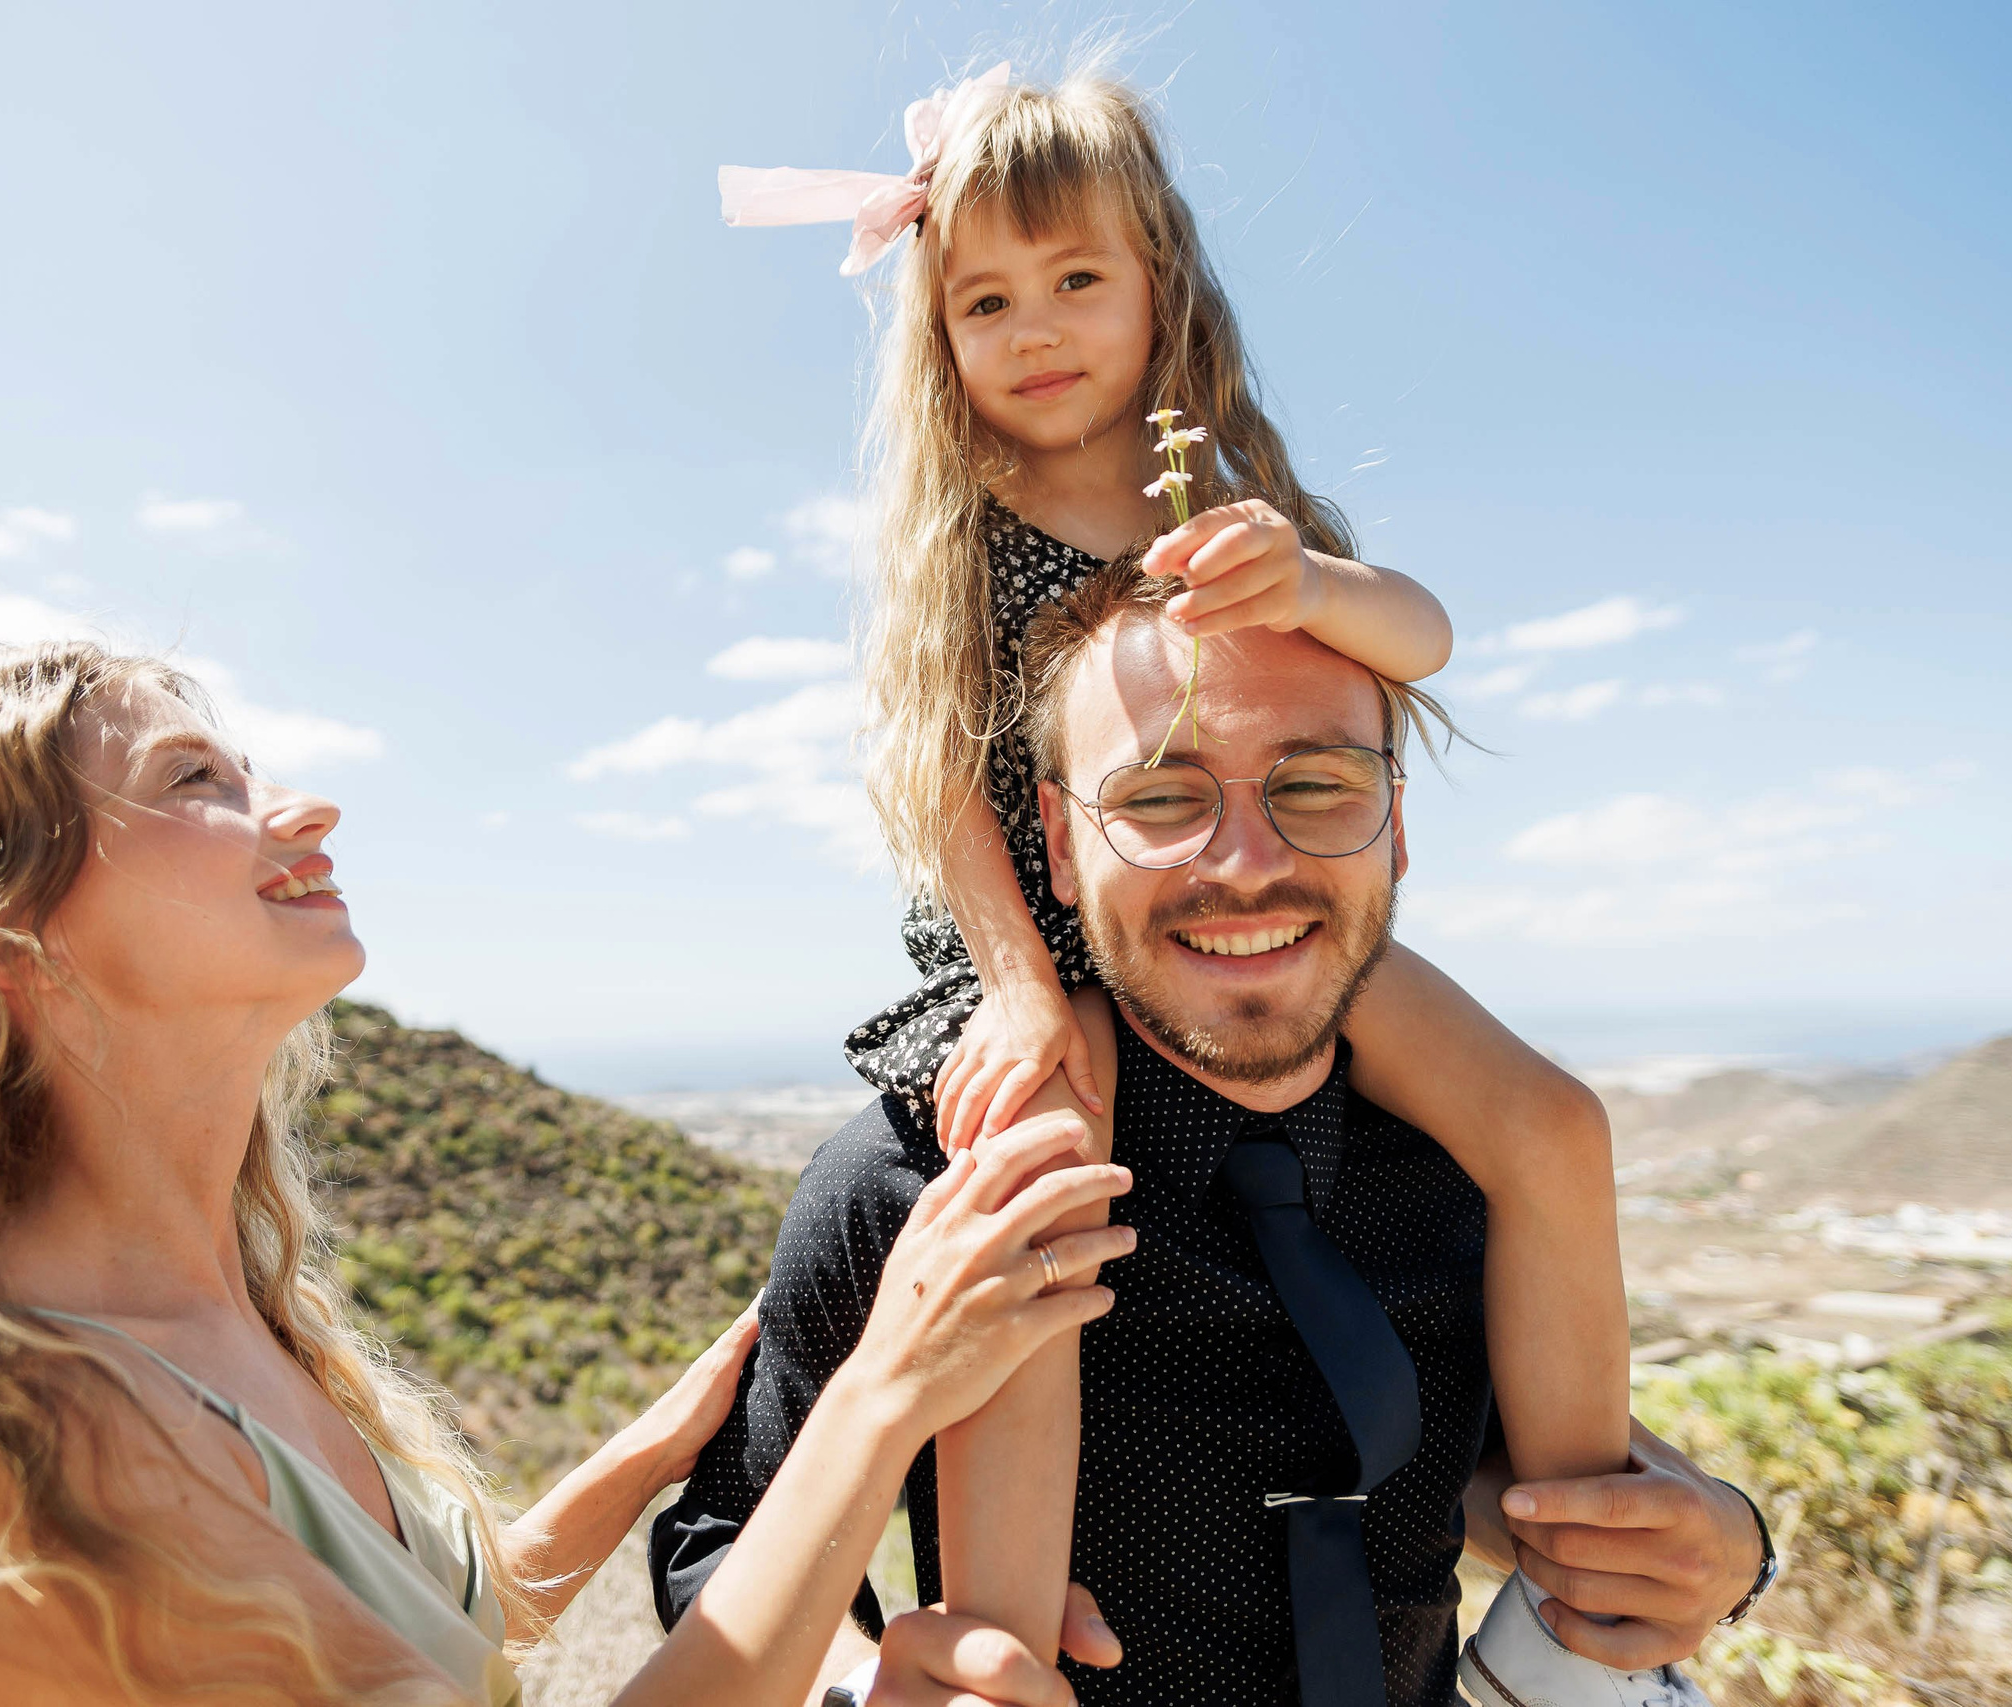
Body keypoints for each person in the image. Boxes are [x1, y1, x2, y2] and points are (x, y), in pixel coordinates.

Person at [0, 641, 1139, 1707]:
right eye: (196, 780)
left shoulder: (222, 1317)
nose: (303, 809)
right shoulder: (0, 1438)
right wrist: (883, 1393)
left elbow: (432, 1621)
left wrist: (661, 1443)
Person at [717, 57, 1632, 1678]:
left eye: (1078, 280)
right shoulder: (965, 526)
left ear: (1162, 286)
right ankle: (1007, 1643)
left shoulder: (1223, 496)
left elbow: (1419, 635)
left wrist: (1308, 583)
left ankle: (1588, 1605)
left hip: (1249, 919)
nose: (1039, 328)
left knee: (1550, 1121)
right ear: (940, 338)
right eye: (987, 301)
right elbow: (936, 773)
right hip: (1030, 933)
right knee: (1041, 1185)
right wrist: (1015, 987)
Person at [651, 561, 1774, 1706]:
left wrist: (1730, 1549)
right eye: (1157, 801)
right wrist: (857, 1688)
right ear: (1056, 840)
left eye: (1319, 785)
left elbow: (1492, 1462)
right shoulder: (917, 1180)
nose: (1244, 863)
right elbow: (723, 1535)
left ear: (1395, 826)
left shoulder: (1472, 1167)